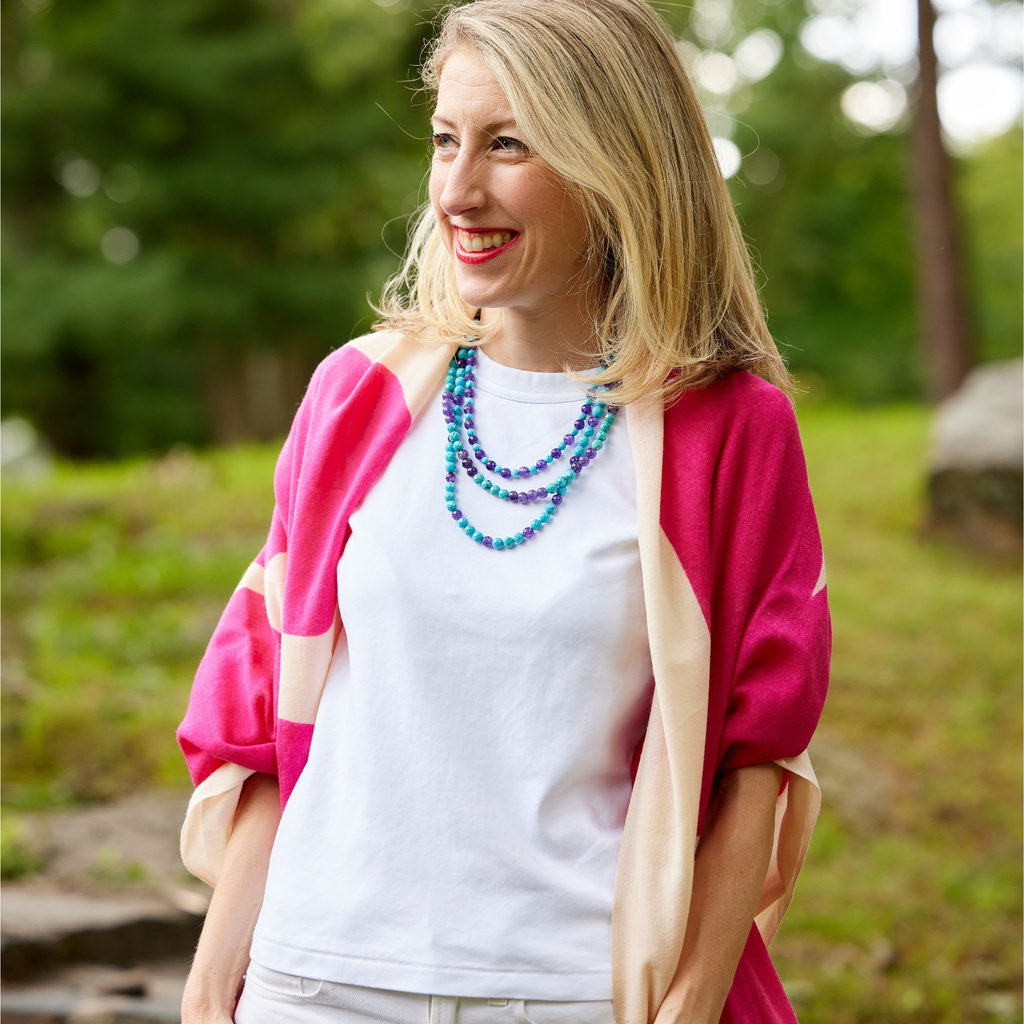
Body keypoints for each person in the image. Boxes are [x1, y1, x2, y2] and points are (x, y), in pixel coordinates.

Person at [177, 1, 831, 1022]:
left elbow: (758, 752)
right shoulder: (355, 396)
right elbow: (263, 718)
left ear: (614, 162)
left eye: (507, 145)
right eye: (445, 140)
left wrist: (696, 996)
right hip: (315, 980)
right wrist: (218, 977)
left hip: (570, 987)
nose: (455, 189)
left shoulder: (729, 432)